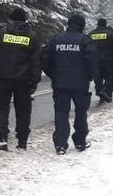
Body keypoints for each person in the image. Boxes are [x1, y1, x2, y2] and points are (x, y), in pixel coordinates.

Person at [0, 7, 42, 151]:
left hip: (3, 78)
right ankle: (22, 141)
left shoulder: (2, 33)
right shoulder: (31, 36)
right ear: (25, 20)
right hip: (23, 80)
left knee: (0, 107)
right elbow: (36, 61)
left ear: (11, 19)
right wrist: (35, 80)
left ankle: (2, 136)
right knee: (23, 111)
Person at [41, 14, 96, 155]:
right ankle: (79, 141)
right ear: (82, 25)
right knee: (81, 113)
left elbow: (44, 59)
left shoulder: (56, 40)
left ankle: (60, 144)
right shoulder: (85, 41)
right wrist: (90, 77)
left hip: (60, 83)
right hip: (80, 84)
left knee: (61, 113)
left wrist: (54, 74)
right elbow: (92, 62)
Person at [89, 18, 113, 103]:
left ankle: (100, 93)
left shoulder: (90, 34)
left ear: (98, 24)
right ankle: (105, 91)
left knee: (98, 78)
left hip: (95, 61)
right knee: (109, 78)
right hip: (108, 60)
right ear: (105, 24)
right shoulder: (110, 34)